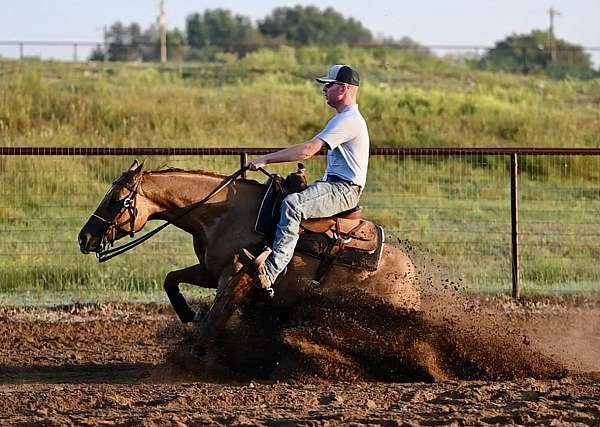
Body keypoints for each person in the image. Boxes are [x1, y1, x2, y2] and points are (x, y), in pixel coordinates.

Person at [246, 64, 370, 291]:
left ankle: (271, 272)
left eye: (328, 85)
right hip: (335, 186)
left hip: (344, 190)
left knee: (293, 205)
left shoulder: (348, 120)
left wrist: (265, 160)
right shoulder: (344, 118)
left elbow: (307, 151)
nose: (324, 90)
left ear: (342, 88)